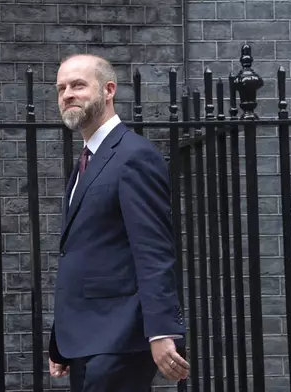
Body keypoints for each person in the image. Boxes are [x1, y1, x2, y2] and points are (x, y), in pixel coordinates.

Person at [48, 54, 190, 391]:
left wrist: (161, 331)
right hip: (87, 340)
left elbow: (153, 250)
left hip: (120, 339)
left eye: (78, 85)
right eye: (61, 88)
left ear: (108, 90)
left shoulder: (133, 156)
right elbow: (85, 253)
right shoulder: (87, 161)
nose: (67, 94)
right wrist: (61, 339)